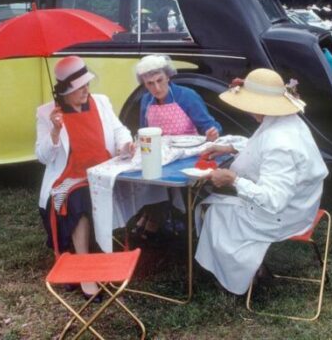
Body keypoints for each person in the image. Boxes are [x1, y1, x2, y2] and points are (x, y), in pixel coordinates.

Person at [194, 68, 328, 295]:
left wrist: (234, 180)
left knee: (211, 209)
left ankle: (241, 277)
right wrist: (230, 147)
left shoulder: (280, 142)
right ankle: (244, 268)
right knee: (217, 205)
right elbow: (261, 147)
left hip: (284, 216)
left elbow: (273, 200)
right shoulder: (285, 120)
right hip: (302, 204)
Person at [36, 56, 134, 297]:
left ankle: (134, 243)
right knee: (78, 197)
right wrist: (55, 132)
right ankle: (85, 268)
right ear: (65, 91)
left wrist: (125, 144)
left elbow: (119, 129)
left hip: (104, 170)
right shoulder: (47, 113)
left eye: (87, 84)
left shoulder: (101, 102)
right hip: (69, 176)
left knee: (137, 183)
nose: (86, 90)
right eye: (80, 87)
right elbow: (42, 156)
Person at [133, 54, 223, 238]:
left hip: (188, 157)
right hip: (162, 157)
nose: (156, 88)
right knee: (146, 178)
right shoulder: (145, 101)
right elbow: (144, 131)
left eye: (160, 81)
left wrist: (212, 133)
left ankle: (182, 223)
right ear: (144, 83)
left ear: (168, 76)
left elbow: (212, 126)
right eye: (150, 84)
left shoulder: (186, 96)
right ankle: (154, 215)